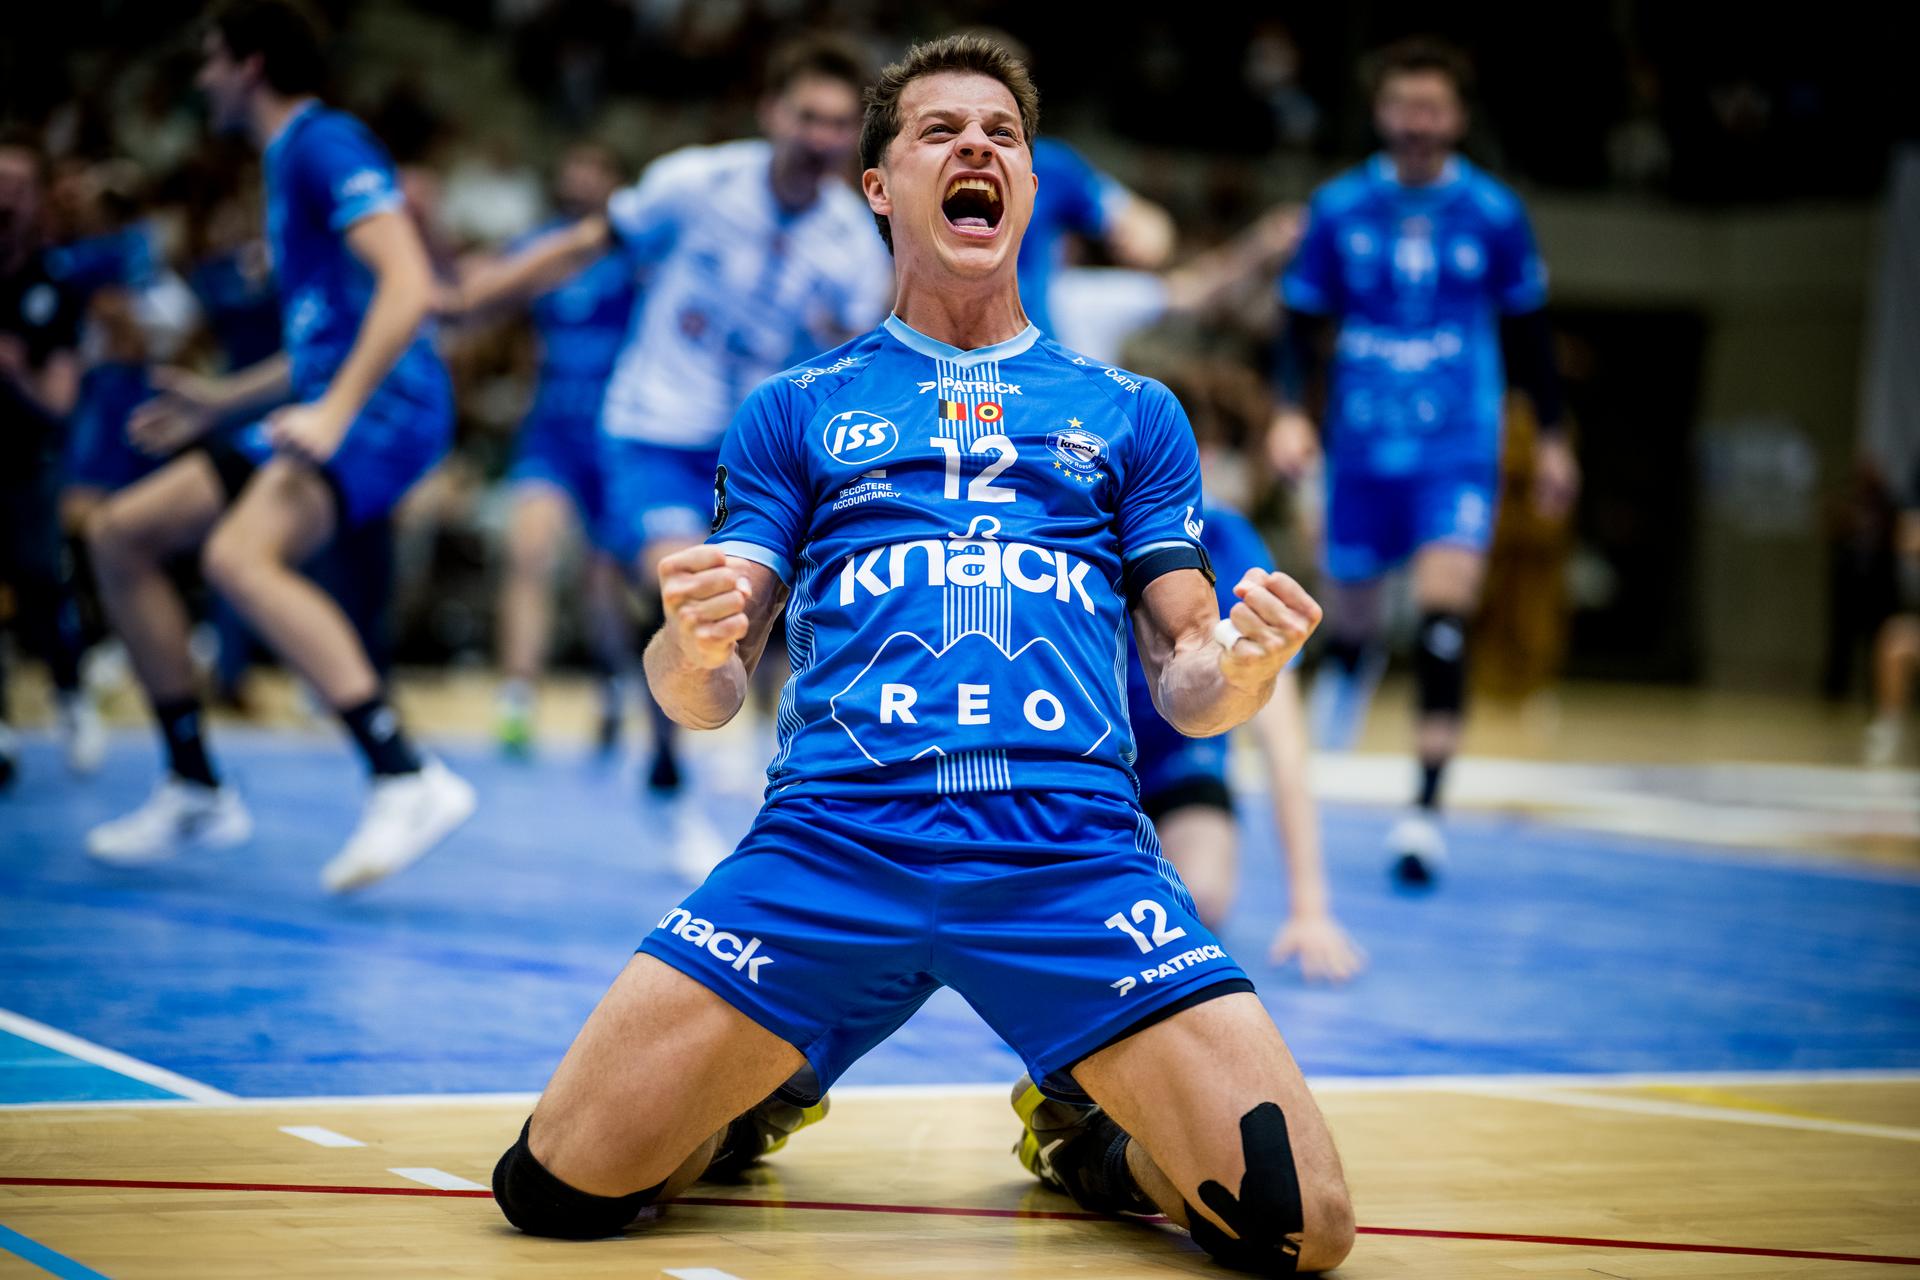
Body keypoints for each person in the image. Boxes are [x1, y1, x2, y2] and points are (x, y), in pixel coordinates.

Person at [487, 36, 1355, 1275]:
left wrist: (1246, 666)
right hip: (832, 844)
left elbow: (1190, 685)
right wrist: (682, 649)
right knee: (555, 1190)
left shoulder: (1132, 413)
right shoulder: (794, 408)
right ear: (880, 187)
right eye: (939, 131)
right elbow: (709, 691)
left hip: (1069, 858)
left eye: (1002, 133)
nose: (977, 149)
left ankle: (1083, 1139)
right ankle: (757, 1093)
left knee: (1301, 1226)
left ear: (1031, 186)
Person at [447, 35, 892, 866]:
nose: (821, 136)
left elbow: (860, 361)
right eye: (807, 116)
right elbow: (585, 244)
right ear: (772, 114)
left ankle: (685, 764)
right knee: (689, 594)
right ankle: (675, 768)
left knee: (744, 613)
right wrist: (478, 297)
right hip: (654, 426)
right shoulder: (696, 185)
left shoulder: (854, 244)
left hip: (757, 452)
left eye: (838, 123)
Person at [83, 0, 473, 892]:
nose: (199, 78)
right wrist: (221, 401)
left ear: (250, 64)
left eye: (209, 59)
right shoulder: (286, 157)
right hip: (336, 393)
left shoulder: (321, 142)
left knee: (238, 559)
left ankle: (405, 772)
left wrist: (334, 413)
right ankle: (193, 784)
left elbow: (410, 285)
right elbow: (321, 338)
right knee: (121, 534)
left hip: (386, 407)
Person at [1269, 36, 1577, 886]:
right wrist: (1289, 415)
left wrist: (1552, 439)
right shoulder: (1338, 209)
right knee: (1353, 624)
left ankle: (1424, 815)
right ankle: (1351, 680)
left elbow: (1531, 335)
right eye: (1404, 107)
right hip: (1362, 448)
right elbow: (1298, 324)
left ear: (1459, 118)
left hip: (1456, 449)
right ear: (1380, 113)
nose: (1417, 124)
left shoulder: (1494, 213)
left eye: (1433, 109)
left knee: (1443, 623)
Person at [1127, 494, 1364, 983]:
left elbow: (1284, 743)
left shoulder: (1224, 538)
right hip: (1087, 757)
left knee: (1198, 899)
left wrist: (1309, 907)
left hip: (1179, 760)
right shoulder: (1084, 523)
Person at [480, 141, 640, 758]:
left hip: (616, 434)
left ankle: (612, 685)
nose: (578, 180)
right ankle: (517, 700)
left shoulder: (637, 252)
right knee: (528, 552)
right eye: (571, 169)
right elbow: (489, 288)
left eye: (593, 170)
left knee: (603, 584)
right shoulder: (541, 247)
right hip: (551, 429)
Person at [0, 131, 85, 789]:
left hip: (28, 458)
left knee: (39, 577)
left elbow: (59, 398)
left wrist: (10, 371)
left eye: (19, 185)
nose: (7, 198)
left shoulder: (50, 284)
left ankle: (72, 699)